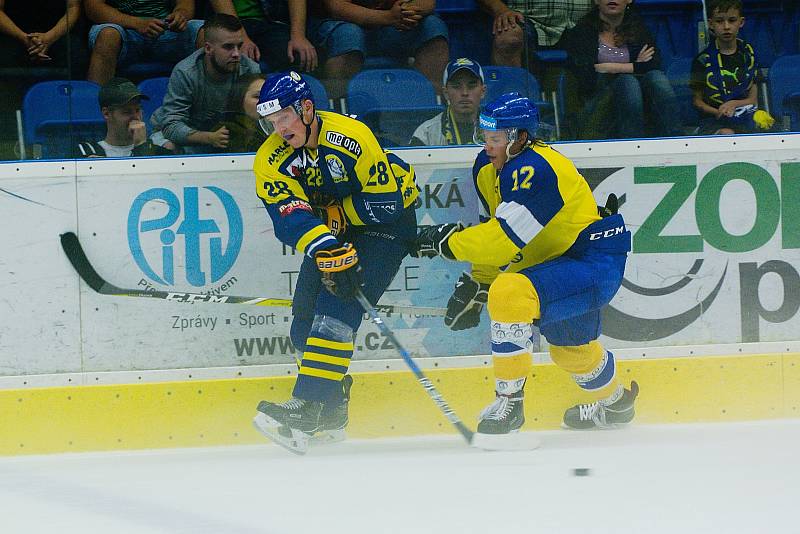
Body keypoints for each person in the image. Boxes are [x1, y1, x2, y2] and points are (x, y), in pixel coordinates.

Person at [413, 92, 638, 436]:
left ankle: (509, 404)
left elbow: (503, 239)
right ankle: (617, 403)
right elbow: (496, 226)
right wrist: (480, 281)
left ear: (520, 138)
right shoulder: (487, 168)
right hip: (556, 267)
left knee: (510, 290)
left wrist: (446, 243)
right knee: (572, 353)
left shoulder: (538, 167)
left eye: (496, 139)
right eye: (484, 137)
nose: (488, 147)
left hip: (592, 262)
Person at [250, 71, 420, 453]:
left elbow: (386, 204)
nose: (278, 130)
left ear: (307, 108)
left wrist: (335, 217)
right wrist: (328, 247)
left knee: (335, 312)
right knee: (304, 320)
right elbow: (289, 217)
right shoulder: (270, 160)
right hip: (333, 232)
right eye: (270, 123)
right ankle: (331, 411)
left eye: (283, 119)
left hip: (387, 227)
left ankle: (306, 405)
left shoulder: (353, 139)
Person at [560, 0, 682, 140]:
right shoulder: (582, 32)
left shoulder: (638, 29)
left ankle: (676, 139)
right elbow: (586, 75)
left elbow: (653, 64)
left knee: (656, 78)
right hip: (597, 105)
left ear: (629, 0)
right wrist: (635, 66)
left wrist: (609, 67)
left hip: (638, 102)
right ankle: (632, 143)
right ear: (596, 1)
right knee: (627, 82)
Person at [148, 14, 260, 154]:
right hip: (186, 136)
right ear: (208, 48)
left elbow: (260, 118)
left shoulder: (250, 70)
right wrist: (209, 138)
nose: (237, 54)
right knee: (169, 147)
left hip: (222, 137)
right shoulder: (186, 72)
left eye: (239, 46)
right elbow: (171, 126)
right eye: (228, 47)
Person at [308, 0, 450, 99]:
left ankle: (435, 108)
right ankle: (336, 109)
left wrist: (405, 11)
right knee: (349, 35)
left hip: (392, 27)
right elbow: (335, 7)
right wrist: (388, 17)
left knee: (433, 27)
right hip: (343, 25)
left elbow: (428, 3)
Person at [690, 0, 774, 135]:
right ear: (711, 24)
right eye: (719, 21)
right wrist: (720, 111)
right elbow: (697, 102)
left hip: (744, 115)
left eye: (732, 20)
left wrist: (733, 104)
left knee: (767, 127)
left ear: (741, 22)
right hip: (713, 118)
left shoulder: (749, 55)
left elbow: (753, 100)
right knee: (727, 133)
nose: (726, 26)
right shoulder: (701, 60)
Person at [84, 0, 205, 84]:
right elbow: (93, 7)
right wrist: (137, 23)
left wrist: (180, 15)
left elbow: (184, 4)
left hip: (165, 29)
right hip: (123, 30)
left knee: (207, 32)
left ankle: (211, 111)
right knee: (107, 35)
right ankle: (95, 111)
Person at [208, 0, 318, 72]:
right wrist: (241, 38)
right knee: (237, 59)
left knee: (299, 57)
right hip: (233, 24)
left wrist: (298, 35)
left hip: (273, 21)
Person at [477, 0, 591, 69]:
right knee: (508, 38)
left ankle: (599, 106)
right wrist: (501, 11)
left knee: (606, 36)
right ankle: (511, 105)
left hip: (585, 22)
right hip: (528, 21)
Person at [75, 77, 171, 157]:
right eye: (127, 112)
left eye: (138, 110)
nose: (136, 117)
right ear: (106, 114)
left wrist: (142, 146)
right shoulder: (86, 152)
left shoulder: (158, 153)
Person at [410, 57, 486, 146]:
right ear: (445, 93)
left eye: (471, 86)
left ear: (483, 91)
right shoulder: (426, 133)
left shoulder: (498, 129)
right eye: (456, 86)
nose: (465, 93)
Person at [0, 0, 86, 71]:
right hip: (14, 33)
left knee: (76, 55)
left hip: (58, 33)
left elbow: (73, 8)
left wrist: (50, 37)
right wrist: (23, 37)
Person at [214, 72, 268, 152]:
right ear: (239, 98)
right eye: (257, 97)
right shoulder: (225, 132)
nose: (264, 102)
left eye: (268, 97)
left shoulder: (279, 128)